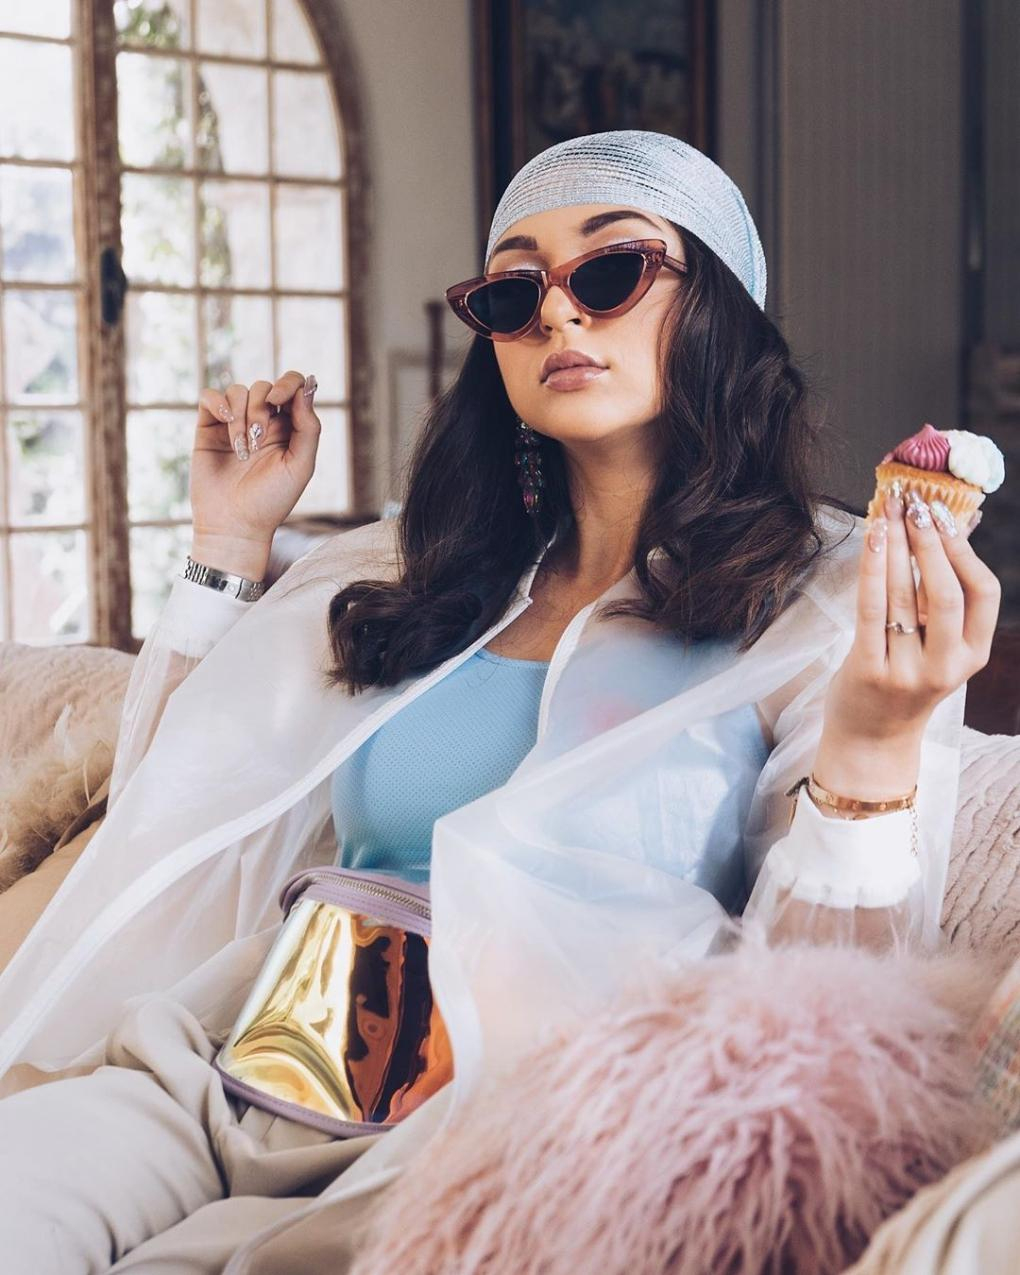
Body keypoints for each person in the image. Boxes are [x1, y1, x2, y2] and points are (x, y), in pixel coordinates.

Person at [0, 130, 998, 1272]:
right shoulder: (409, 568)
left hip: (500, 1141)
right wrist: (229, 546)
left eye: (611, 271)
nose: (558, 313)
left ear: (716, 306)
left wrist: (876, 742)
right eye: (514, 292)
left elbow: (828, 1016)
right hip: (227, 1064)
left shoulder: (828, 593)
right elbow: (172, 818)